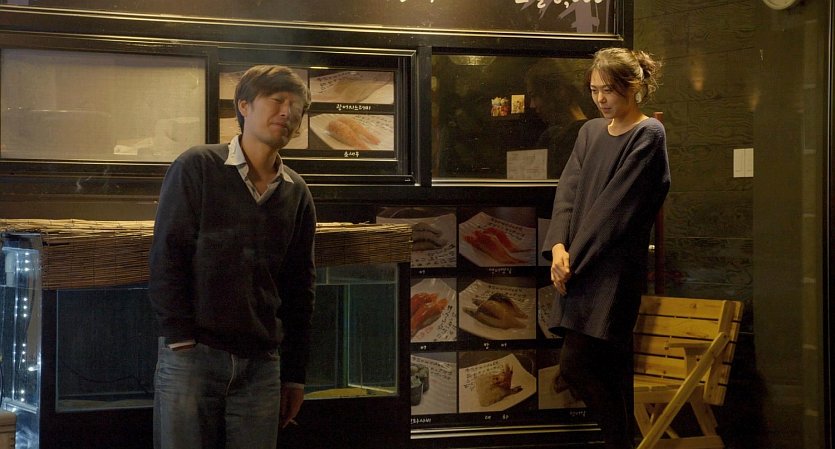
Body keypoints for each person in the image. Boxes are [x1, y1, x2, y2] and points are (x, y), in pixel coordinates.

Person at [149, 65, 316, 449]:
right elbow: (168, 255)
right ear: (244, 105)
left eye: (296, 107)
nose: (287, 112)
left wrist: (295, 375)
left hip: (261, 365)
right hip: (194, 356)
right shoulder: (197, 166)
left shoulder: (296, 192)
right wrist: (180, 339)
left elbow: (300, 287)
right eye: (277, 100)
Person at [541, 48, 670, 449]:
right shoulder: (589, 133)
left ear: (633, 87)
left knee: (578, 366)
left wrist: (571, 262)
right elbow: (567, 194)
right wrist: (558, 248)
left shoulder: (649, 134)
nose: (600, 98)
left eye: (608, 90)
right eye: (595, 90)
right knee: (607, 373)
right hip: (579, 268)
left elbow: (615, 210)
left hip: (612, 274)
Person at [525, 59, 596, 178]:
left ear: (558, 91)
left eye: (535, 95)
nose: (532, 105)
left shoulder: (569, 139)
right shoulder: (592, 133)